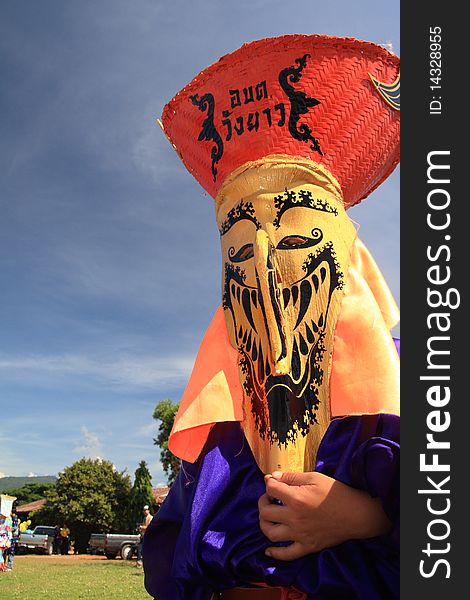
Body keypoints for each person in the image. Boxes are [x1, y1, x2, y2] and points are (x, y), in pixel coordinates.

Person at [144, 34, 400, 599]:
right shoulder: (220, 406)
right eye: (238, 250)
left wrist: (371, 518)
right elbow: (173, 547)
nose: (263, 264)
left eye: (299, 237)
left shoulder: (416, 381)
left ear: (348, 252)